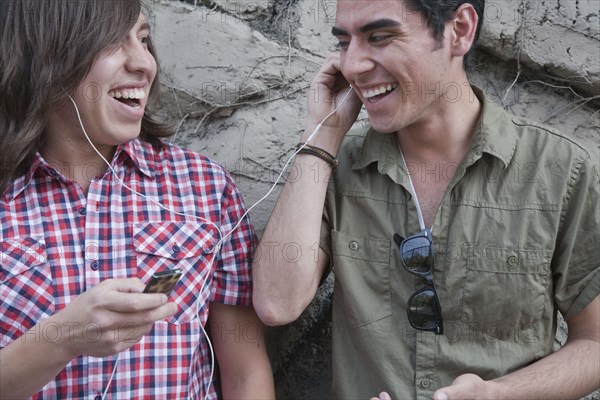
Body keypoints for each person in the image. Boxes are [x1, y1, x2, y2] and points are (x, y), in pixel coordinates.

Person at [252, 0, 599, 399]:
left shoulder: (559, 169)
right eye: (345, 43)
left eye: (379, 37)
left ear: (460, 29)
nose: (352, 66)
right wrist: (321, 139)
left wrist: (498, 394)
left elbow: (594, 344)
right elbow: (277, 304)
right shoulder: (336, 168)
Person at [0, 1, 274, 399]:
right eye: (114, 41)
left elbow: (246, 373)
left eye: (144, 40)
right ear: (45, 55)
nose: (145, 63)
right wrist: (61, 339)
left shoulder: (203, 187)